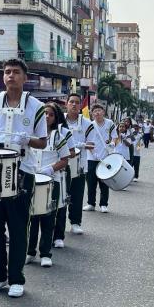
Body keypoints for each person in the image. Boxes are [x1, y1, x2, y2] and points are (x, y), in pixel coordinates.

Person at [0, 59, 47, 298]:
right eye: (7, 72)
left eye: (16, 72)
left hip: (22, 171)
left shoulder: (36, 106)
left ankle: (16, 277)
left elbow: (43, 141)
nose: (10, 76)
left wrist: (26, 140)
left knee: (18, 227)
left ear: (24, 77)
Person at [27, 102, 71, 267]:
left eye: (51, 114)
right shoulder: (30, 134)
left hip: (51, 182)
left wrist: (51, 169)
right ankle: (30, 252)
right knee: (30, 219)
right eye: (44, 113)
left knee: (48, 219)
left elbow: (65, 159)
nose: (47, 117)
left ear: (55, 118)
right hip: (32, 181)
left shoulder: (58, 136)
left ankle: (45, 253)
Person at [62, 93, 92, 235]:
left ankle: (75, 222)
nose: (74, 105)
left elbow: (91, 144)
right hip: (61, 163)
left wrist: (75, 146)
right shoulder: (59, 120)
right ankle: (58, 226)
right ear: (66, 104)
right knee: (61, 195)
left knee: (77, 195)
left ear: (80, 106)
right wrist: (79, 145)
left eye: (77, 102)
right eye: (71, 102)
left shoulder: (87, 123)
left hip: (79, 165)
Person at [84, 104, 117, 213]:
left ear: (103, 112)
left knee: (104, 182)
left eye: (99, 110)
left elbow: (115, 136)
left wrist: (112, 143)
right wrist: (93, 153)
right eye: (95, 111)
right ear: (92, 114)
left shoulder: (110, 123)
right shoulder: (89, 125)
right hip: (91, 158)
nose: (97, 113)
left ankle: (103, 204)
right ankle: (90, 203)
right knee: (91, 182)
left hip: (106, 157)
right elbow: (87, 141)